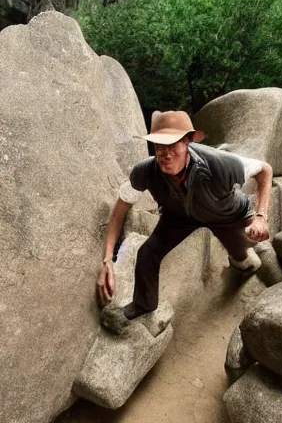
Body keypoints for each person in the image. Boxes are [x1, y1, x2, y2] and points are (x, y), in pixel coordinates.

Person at [97, 110, 272, 333]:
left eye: (172, 145)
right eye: (159, 145)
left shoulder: (222, 164)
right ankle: (144, 304)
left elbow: (265, 171)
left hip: (227, 214)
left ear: (188, 142)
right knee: (147, 253)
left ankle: (242, 261)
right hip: (179, 216)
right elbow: (120, 210)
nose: (165, 153)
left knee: (244, 259)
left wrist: (260, 217)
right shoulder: (145, 171)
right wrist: (107, 259)